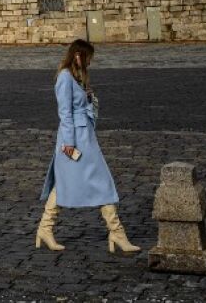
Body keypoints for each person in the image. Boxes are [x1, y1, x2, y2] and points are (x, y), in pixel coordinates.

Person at [35, 39, 138, 255]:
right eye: (88, 57)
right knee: (96, 181)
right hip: (74, 141)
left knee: (69, 183)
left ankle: (46, 230)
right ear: (78, 55)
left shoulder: (77, 78)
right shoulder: (65, 77)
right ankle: (116, 233)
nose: (90, 62)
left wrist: (89, 97)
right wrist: (69, 145)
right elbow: (65, 114)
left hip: (85, 138)